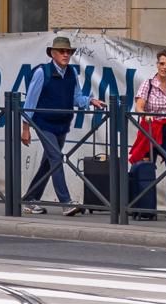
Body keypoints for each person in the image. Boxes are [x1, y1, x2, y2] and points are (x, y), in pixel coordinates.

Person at [21, 35, 107, 216]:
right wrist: (26, 128)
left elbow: (76, 97)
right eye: (62, 51)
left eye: (68, 51)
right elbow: (30, 102)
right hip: (44, 124)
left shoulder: (71, 73)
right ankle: (66, 202)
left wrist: (91, 101)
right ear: (53, 53)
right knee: (57, 159)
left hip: (62, 124)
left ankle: (29, 200)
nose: (66, 54)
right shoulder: (42, 72)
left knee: (48, 163)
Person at [130, 49, 166, 219]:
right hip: (150, 128)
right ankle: (142, 204)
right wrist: (145, 114)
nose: (164, 67)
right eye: (161, 63)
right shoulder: (148, 83)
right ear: (157, 64)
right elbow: (139, 106)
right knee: (146, 166)